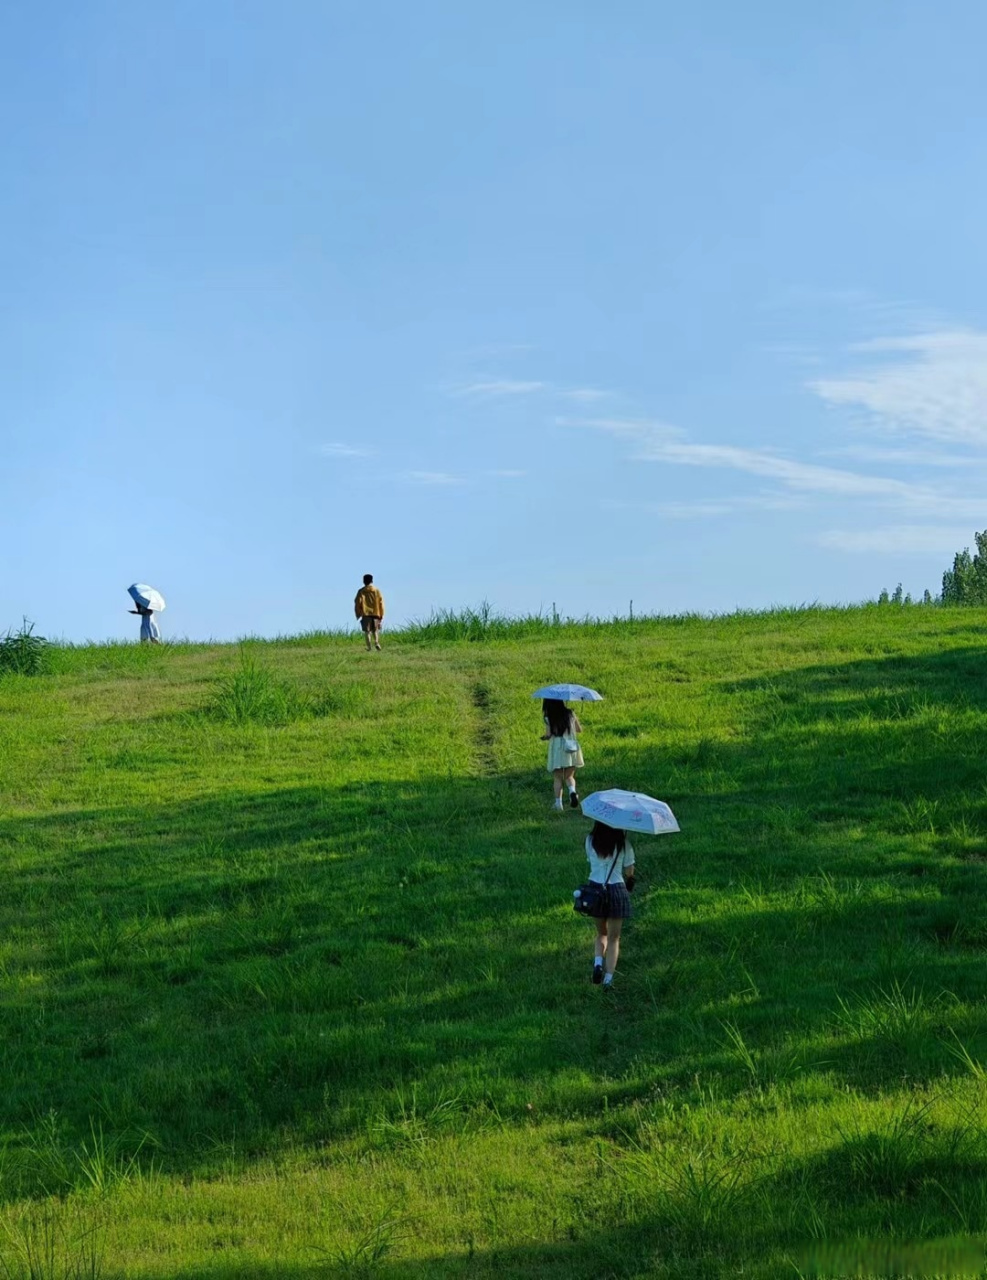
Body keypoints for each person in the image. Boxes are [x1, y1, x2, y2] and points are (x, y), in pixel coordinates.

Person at [583, 821, 635, 986]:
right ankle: (608, 979)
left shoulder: (590, 840)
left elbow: (591, 862)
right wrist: (631, 879)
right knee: (614, 938)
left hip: (595, 891)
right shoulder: (623, 843)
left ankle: (598, 962)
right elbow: (629, 871)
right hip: (617, 890)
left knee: (601, 934)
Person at [541, 697, 584, 811]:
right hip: (571, 747)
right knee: (569, 776)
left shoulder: (548, 717)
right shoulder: (570, 713)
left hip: (557, 748)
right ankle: (572, 792)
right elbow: (579, 729)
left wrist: (545, 737)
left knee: (558, 777)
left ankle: (558, 804)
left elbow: (549, 734)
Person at [354, 573, 385, 651]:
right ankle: (377, 643)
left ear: (364, 581)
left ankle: (369, 647)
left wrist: (358, 613)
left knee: (367, 631)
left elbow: (357, 602)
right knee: (375, 630)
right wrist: (381, 614)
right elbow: (381, 602)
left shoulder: (361, 591)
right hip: (376, 613)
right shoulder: (377, 590)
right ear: (372, 581)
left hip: (366, 613)